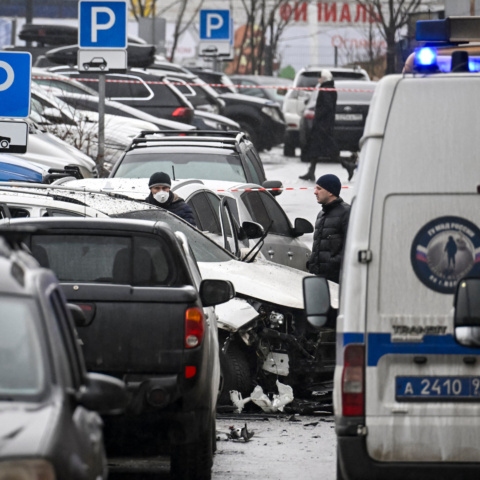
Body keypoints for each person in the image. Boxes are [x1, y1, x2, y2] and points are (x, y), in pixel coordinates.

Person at [307, 174, 350, 284]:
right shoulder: (321, 214)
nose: (315, 192)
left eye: (319, 189)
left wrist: (333, 263)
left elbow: (350, 247)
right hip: (319, 278)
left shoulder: (346, 213)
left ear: (330, 192)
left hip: (337, 280)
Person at [299, 69, 340, 181]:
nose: (318, 80)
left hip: (323, 124)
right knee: (315, 148)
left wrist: (318, 116)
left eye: (320, 77)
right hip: (324, 123)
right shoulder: (329, 88)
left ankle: (347, 165)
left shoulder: (326, 89)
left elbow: (327, 106)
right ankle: (311, 172)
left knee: (328, 149)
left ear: (325, 78)